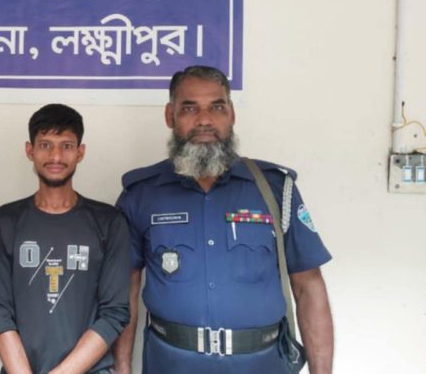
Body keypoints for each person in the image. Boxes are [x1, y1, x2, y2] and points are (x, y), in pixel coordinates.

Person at [113, 66, 334, 374]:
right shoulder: (141, 194)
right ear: (170, 115)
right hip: (173, 364)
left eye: (216, 107)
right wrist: (122, 368)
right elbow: (124, 291)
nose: (204, 120)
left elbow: (308, 286)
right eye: (190, 108)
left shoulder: (274, 189)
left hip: (262, 365)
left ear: (231, 114)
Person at [0, 104, 131, 374]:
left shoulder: (109, 222)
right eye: (45, 145)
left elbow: (114, 313)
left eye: (66, 146)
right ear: (30, 150)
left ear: (80, 152)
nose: (56, 156)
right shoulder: (4, 221)